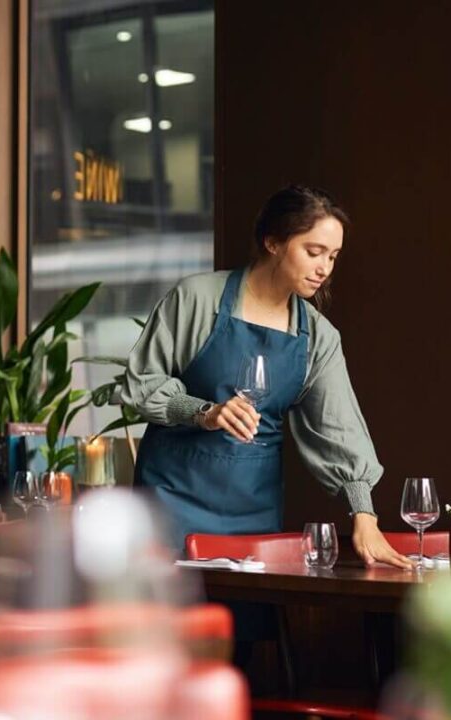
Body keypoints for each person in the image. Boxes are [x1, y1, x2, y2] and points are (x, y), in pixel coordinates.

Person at [118, 184, 412, 569]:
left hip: (255, 513)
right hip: (172, 502)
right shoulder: (196, 299)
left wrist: (364, 515)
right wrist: (203, 411)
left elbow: (340, 429)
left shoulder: (318, 337)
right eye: (313, 252)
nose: (324, 268)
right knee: (175, 625)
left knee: (251, 624)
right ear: (273, 242)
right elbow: (142, 382)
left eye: (333, 256)